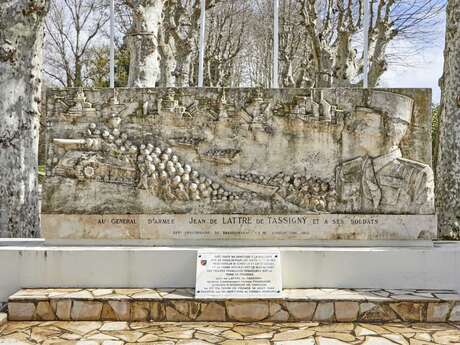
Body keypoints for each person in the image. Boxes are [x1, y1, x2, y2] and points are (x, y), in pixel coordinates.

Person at [336, 95, 434, 214]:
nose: (358, 129)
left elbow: (423, 227)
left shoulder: (417, 175)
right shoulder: (347, 171)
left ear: (390, 129)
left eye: (367, 123)